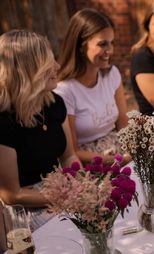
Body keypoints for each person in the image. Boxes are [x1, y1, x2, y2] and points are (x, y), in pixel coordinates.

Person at [0, 30, 79, 231]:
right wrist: (62, 196)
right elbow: (11, 195)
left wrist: (79, 183)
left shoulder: (54, 103)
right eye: (49, 63)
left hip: (57, 189)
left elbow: (69, 156)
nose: (58, 67)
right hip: (24, 207)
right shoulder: (4, 121)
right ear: (29, 70)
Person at [55, 8, 130, 164]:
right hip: (91, 164)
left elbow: (122, 123)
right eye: (103, 44)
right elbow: (73, 151)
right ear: (81, 47)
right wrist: (116, 161)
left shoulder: (112, 74)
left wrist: (132, 151)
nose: (110, 50)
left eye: (112, 43)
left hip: (120, 152)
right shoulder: (65, 90)